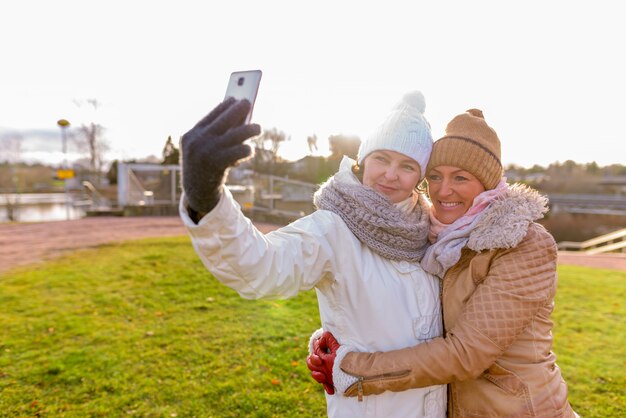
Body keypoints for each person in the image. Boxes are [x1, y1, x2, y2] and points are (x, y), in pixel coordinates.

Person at [179, 91, 447, 417]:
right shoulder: (332, 229)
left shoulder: (434, 230)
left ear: (420, 176)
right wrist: (206, 197)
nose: (391, 174)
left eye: (406, 165)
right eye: (381, 158)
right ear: (363, 159)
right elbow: (262, 267)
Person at [307, 109, 578, 417]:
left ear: (488, 183)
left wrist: (350, 367)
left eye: (460, 178)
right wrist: (336, 333)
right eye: (435, 176)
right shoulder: (436, 237)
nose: (443, 190)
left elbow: (467, 353)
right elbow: (413, 308)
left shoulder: (524, 243)